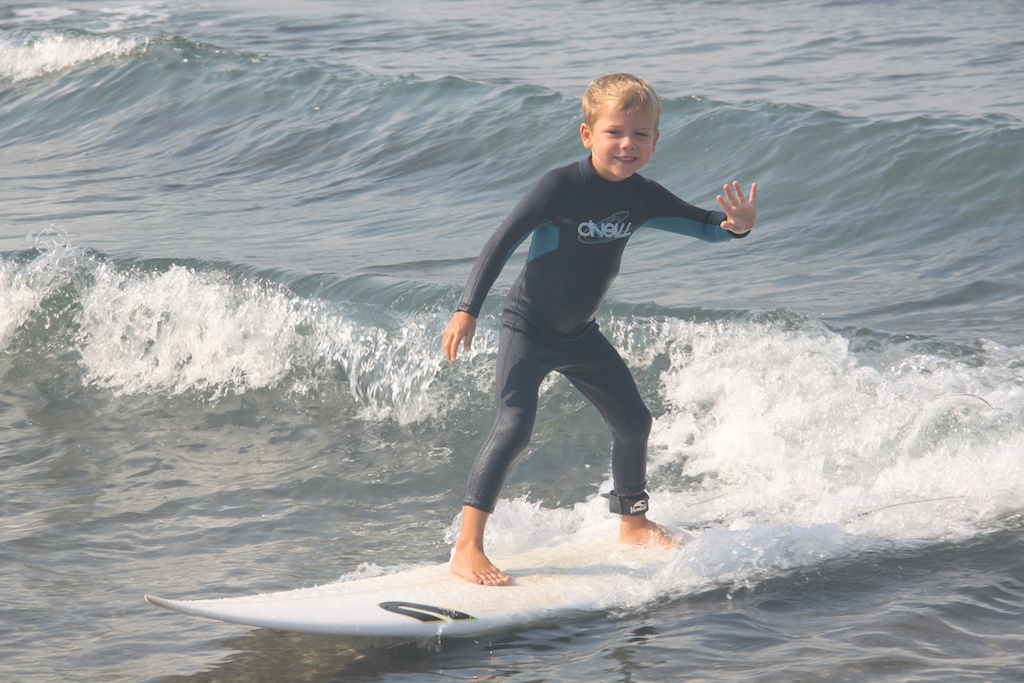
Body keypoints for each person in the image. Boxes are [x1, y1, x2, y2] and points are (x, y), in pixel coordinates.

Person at [441, 73, 757, 586]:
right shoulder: (560, 187)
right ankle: (467, 547)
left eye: (641, 134)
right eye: (615, 132)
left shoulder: (643, 196)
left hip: (579, 333)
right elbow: (500, 242)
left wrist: (737, 226)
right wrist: (466, 309)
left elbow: (706, 225)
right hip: (528, 326)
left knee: (634, 422)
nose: (627, 144)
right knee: (515, 425)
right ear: (587, 135)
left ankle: (632, 524)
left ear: (655, 141)